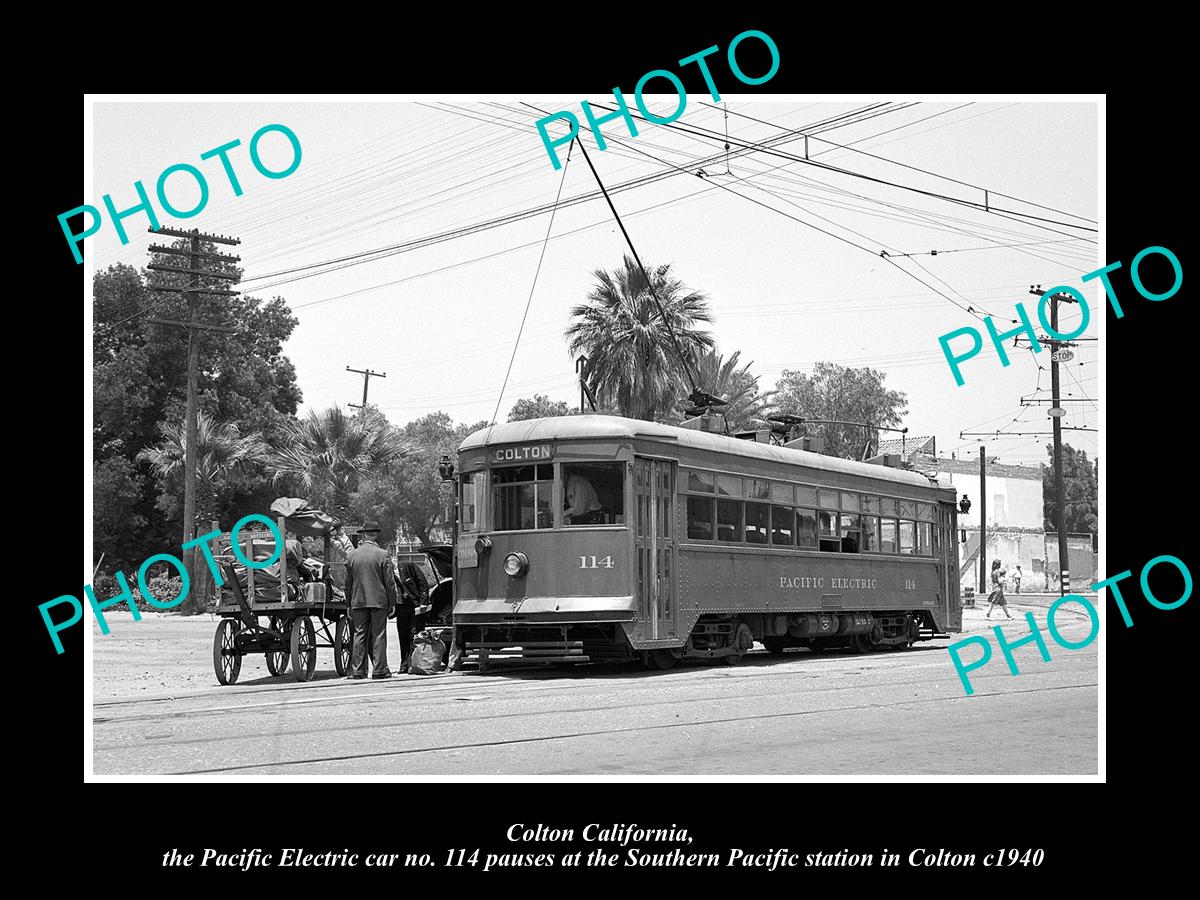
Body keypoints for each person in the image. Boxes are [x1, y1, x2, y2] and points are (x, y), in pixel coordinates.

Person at [343, 521, 397, 679]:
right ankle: (379, 670)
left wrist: (348, 604)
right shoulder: (382, 554)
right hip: (379, 601)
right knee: (379, 634)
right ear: (376, 535)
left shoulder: (351, 556)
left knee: (359, 634)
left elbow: (347, 584)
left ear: (363, 534)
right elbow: (389, 582)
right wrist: (392, 602)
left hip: (358, 601)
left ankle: (357, 671)